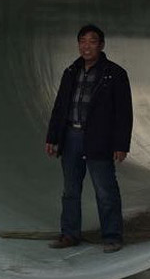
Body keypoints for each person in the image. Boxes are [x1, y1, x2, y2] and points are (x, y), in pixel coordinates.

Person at [44, 24, 133, 253]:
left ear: (101, 45)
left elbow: (124, 113)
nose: (87, 46)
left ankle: (112, 236)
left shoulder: (114, 74)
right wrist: (53, 137)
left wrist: (121, 144)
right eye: (82, 41)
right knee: (70, 190)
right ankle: (69, 234)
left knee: (105, 189)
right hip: (71, 137)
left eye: (92, 41)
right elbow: (60, 107)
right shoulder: (70, 72)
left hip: (98, 139)